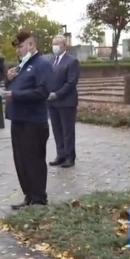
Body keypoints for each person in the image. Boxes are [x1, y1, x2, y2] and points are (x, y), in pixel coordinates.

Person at [0, 30, 52, 210]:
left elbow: (42, 92)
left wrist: (15, 95)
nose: (18, 50)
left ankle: (39, 198)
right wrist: (9, 80)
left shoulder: (41, 64)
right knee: (20, 160)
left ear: (31, 45)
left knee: (34, 160)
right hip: (18, 119)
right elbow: (15, 87)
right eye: (17, 47)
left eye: (21, 46)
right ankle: (28, 196)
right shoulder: (22, 65)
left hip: (33, 121)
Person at [48, 35, 80, 168]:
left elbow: (71, 82)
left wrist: (57, 94)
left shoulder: (72, 61)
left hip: (66, 102)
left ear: (64, 46)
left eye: (58, 44)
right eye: (53, 44)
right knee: (57, 130)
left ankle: (69, 157)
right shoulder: (51, 60)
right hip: (51, 102)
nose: (55, 46)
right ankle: (60, 155)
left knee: (67, 131)